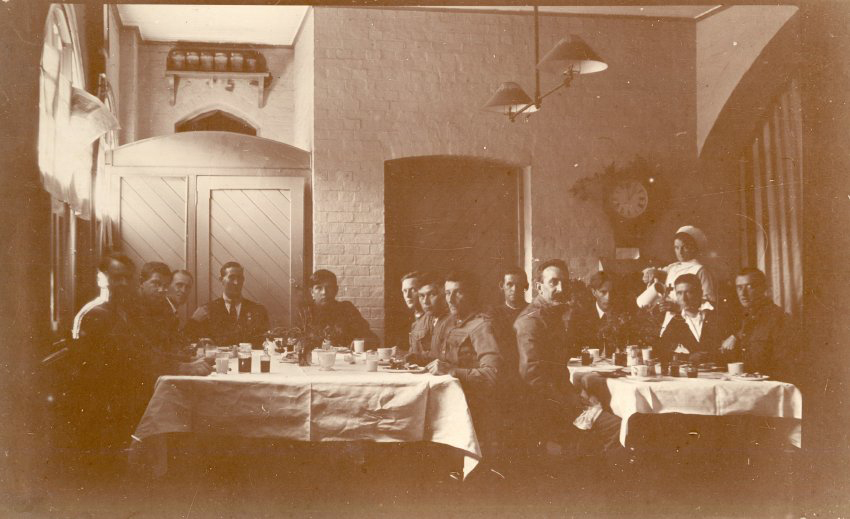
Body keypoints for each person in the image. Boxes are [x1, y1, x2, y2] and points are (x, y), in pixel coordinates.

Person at [513, 259, 623, 461]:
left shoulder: (551, 315)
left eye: (564, 282)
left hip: (559, 400)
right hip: (544, 409)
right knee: (616, 427)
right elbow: (533, 378)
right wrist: (572, 401)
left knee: (608, 409)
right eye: (553, 282)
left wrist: (577, 395)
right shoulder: (531, 321)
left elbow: (557, 372)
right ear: (539, 287)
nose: (561, 289)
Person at [428, 271, 506, 455]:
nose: (450, 299)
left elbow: (492, 374)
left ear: (472, 294)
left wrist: (452, 370)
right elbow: (443, 357)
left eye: (458, 292)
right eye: (448, 293)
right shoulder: (451, 322)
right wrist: (413, 357)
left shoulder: (482, 326)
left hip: (475, 410)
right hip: (451, 404)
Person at [720, 268, 800, 382]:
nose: (743, 293)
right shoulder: (742, 318)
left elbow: (785, 366)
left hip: (768, 386)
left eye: (750, 287)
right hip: (744, 385)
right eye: (739, 287)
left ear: (763, 289)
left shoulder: (779, 318)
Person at [186, 262, 269, 348]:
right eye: (231, 278)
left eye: (240, 278)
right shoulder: (207, 310)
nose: (236, 282)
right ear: (221, 280)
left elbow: (265, 343)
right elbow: (190, 339)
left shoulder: (258, 310)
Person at [638, 225, 717, 308]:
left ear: (693, 248)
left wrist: (678, 308)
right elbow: (656, 272)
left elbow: (709, 303)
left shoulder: (700, 270)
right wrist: (652, 272)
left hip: (688, 315)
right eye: (677, 247)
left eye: (685, 247)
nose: (680, 252)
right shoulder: (673, 267)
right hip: (667, 314)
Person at [299, 269, 378, 349]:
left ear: (336, 290)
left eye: (329, 287)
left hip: (342, 356)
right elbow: (294, 340)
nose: (324, 292)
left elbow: (372, 338)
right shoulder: (303, 313)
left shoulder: (346, 309)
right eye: (319, 288)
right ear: (312, 292)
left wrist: (360, 341)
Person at [658, 273, 727, 363]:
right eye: (679, 293)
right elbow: (661, 351)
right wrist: (688, 357)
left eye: (688, 292)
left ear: (700, 293)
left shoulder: (717, 313)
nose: (684, 298)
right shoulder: (677, 321)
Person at [487, 267, 529, 378]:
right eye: (509, 284)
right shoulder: (494, 314)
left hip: (529, 371)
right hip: (504, 372)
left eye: (519, 285)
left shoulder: (533, 311)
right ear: (502, 286)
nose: (514, 289)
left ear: (526, 286)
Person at [386, 271, 423, 351]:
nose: (407, 295)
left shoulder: (431, 318)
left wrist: (404, 354)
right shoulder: (406, 319)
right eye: (405, 291)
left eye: (412, 290)